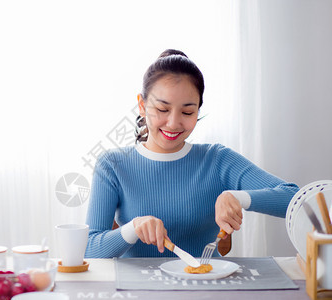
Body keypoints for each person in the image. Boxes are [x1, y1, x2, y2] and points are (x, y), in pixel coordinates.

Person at [85, 49, 299, 258]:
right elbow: (89, 249)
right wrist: (133, 228)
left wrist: (239, 197)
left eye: (187, 112)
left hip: (207, 289)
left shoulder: (217, 160)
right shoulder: (112, 165)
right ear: (142, 105)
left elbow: (296, 197)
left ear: (198, 110)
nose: (174, 123)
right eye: (162, 109)